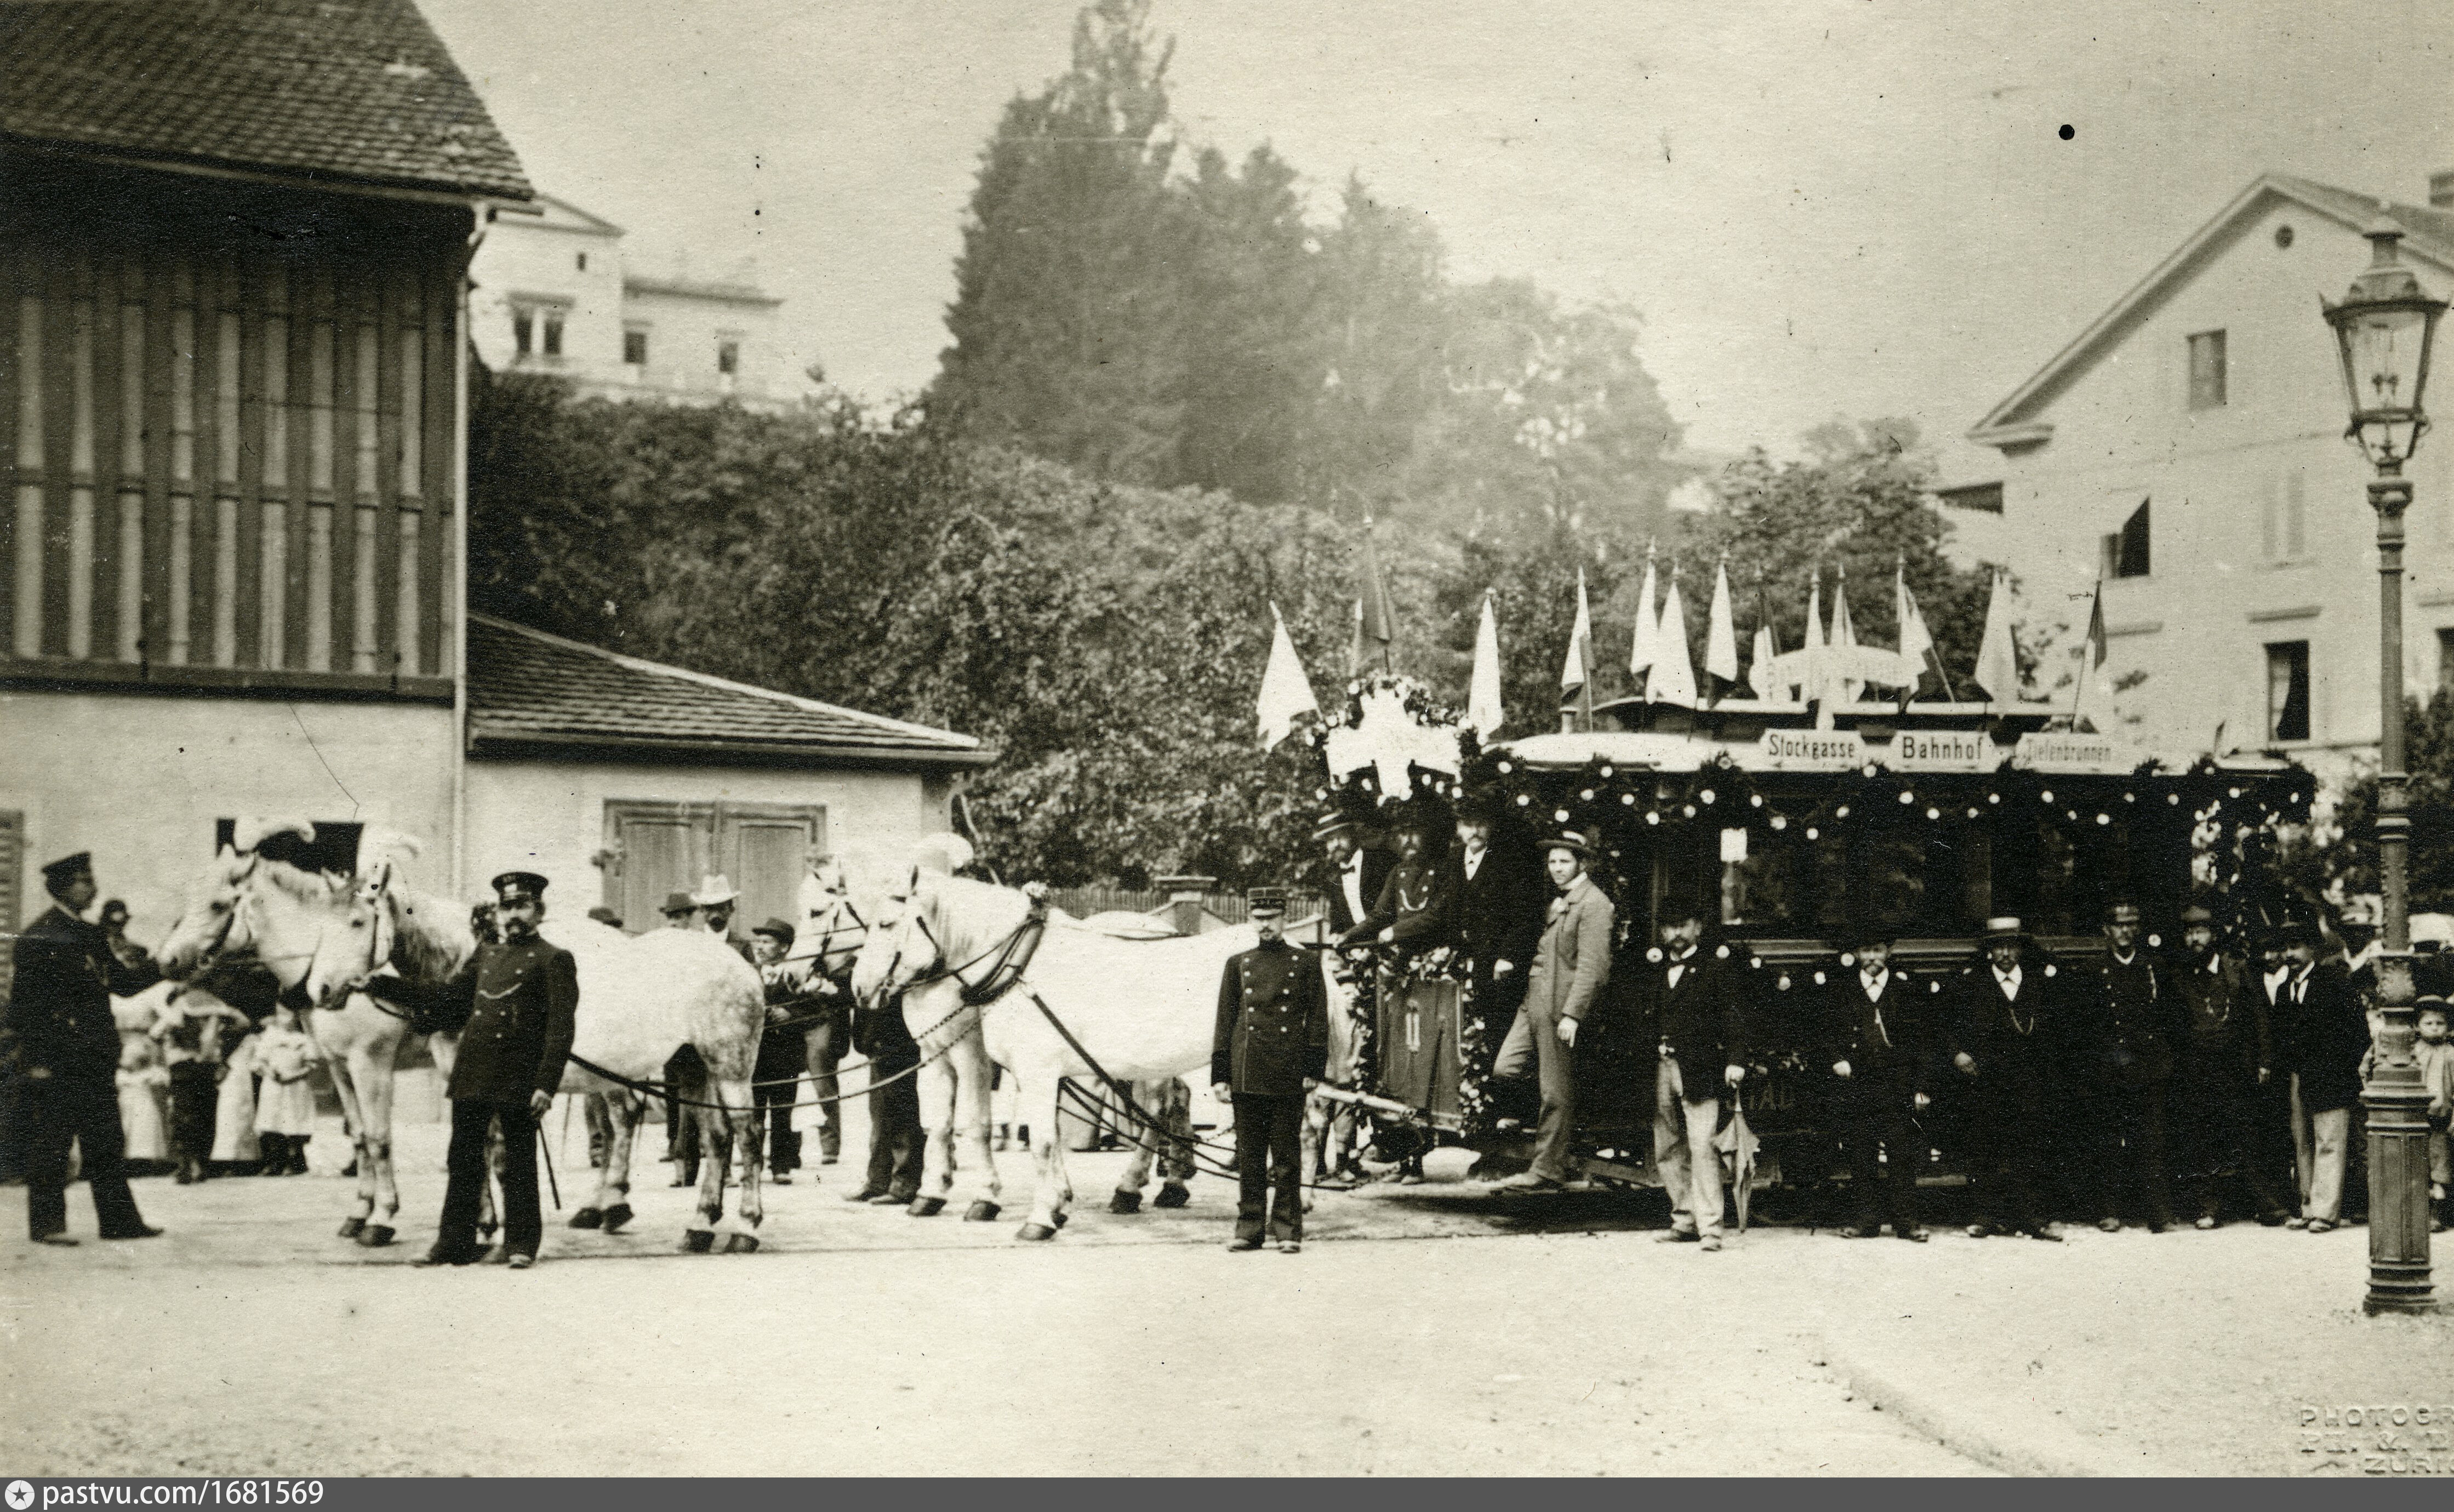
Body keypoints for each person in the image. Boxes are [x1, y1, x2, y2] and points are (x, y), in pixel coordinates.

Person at [362, 871, 578, 1269]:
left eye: (522, 906)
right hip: (474, 1072)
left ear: (539, 911)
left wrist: (546, 1085)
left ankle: (521, 1244)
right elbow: (448, 999)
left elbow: (560, 1030)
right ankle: (453, 1243)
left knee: (518, 1161)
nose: (513, 915)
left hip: (518, 1077)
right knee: (462, 1160)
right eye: (506, 907)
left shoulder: (554, 959)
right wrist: (382, 986)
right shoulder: (486, 955)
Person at [7, 851, 165, 1244]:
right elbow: (24, 1007)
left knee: (107, 1143)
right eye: (84, 881)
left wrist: (165, 967)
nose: (92, 888)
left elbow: (122, 984)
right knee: (53, 1143)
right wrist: (36, 1060)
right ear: (63, 887)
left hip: (95, 1056)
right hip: (57, 1058)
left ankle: (119, 1222)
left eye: (91, 879)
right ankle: (48, 1226)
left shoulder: (92, 934)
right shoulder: (38, 935)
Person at [1491, 828, 1614, 1194]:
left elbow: (1593, 968)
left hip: (1559, 1008)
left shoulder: (1594, 904)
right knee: (1506, 1067)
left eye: (1565, 861)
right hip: (1534, 1001)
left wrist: (1573, 1015)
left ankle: (1547, 1168)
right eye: (1552, 861)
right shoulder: (1561, 900)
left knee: (1556, 1090)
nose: (1557, 868)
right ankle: (1556, 1135)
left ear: (1582, 864)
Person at [1212, 887, 1328, 1253]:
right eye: (1259, 918)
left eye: (1271, 918)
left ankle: (1288, 1230)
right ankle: (1249, 1229)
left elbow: (1318, 1019)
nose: (1265, 925)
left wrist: (1313, 1067)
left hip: (1288, 1069)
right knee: (1249, 1157)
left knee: (1286, 1157)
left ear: (1284, 919)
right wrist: (1221, 1075)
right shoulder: (1238, 963)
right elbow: (1225, 1021)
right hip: (1247, 1070)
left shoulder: (1306, 962)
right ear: (1251, 919)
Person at [2170, 903, 2290, 1228]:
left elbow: (2259, 1018)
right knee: (2203, 1138)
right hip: (2197, 1069)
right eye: (2190, 933)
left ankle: (2265, 1204)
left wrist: (2265, 1060)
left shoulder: (2237, 971)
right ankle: (2208, 1208)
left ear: (2213, 935)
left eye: (2201, 931)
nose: (2195, 939)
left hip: (2236, 1067)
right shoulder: (2180, 975)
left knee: (2247, 1135)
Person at [1950, 917, 2070, 1241]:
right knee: (1985, 1148)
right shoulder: (1970, 984)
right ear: (1989, 951)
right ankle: (1986, 1217)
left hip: (2030, 1080)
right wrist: (1957, 1054)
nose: (2005, 954)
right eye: (1998, 947)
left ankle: (2033, 1218)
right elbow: (1948, 1026)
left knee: (2030, 1148)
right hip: (1984, 1081)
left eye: (2011, 947)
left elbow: (2056, 1029)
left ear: (2020, 950)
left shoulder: (2038, 982)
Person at [1820, 921, 1938, 1241]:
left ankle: (1906, 1222)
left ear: (1888, 952)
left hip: (1898, 1083)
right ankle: (1866, 1221)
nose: (1872, 957)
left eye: (1878, 950)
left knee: (1902, 1153)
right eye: (1865, 951)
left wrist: (1921, 1087)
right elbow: (1828, 1032)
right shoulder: (1843, 990)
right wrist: (1838, 1059)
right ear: (1857, 954)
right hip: (1858, 1083)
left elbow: (1922, 1042)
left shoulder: (1906, 989)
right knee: (1862, 1153)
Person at [1646, 898, 1745, 1251]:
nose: (1677, 933)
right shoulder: (1655, 969)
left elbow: (1734, 1016)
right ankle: (1684, 1219)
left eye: (1684, 925)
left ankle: (1711, 1228)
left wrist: (1736, 1060)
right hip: (1662, 1067)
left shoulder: (1715, 968)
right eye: (1670, 926)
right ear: (1662, 932)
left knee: (1702, 1147)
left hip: (1700, 1068)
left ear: (1698, 929)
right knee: (1668, 1146)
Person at [2265, 913, 2367, 1234]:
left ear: (2313, 949)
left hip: (2331, 1076)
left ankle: (2325, 1211)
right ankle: (2307, 1206)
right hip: (2299, 1077)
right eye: (2285, 949)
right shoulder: (2285, 989)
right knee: (2302, 1142)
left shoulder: (2335, 983)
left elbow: (2358, 1033)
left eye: (2296, 947)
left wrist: (2341, 1067)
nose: (2289, 955)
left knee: (2329, 1142)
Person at [2088, 900, 2185, 1233]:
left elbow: (2170, 1016)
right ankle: (2110, 1210)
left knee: (2152, 1141)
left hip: (2150, 1066)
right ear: (2107, 930)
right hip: (2111, 1068)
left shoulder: (2153, 967)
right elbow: (2088, 1023)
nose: (2126, 931)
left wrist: (2161, 1058)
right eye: (2119, 925)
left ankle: (2158, 1212)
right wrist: (2110, 1054)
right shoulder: (2095, 970)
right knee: (2110, 1140)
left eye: (2131, 925)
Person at [1447, 797, 1543, 1043]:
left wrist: (1508, 956)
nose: (1475, 831)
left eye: (1481, 824)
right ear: (1458, 828)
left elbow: (1525, 915)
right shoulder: (1454, 858)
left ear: (1491, 826)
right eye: (1468, 825)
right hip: (1462, 958)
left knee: (1494, 1027)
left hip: (1496, 959)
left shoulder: (1508, 862)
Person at [847, 959, 924, 1207]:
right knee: (880, 1119)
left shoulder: (903, 964)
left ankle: (904, 1185)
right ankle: (877, 1182)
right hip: (877, 1047)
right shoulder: (870, 961)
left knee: (902, 1118)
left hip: (899, 1046)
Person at [747, 918, 812, 1184]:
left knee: (783, 1112)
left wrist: (791, 1013)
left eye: (767, 942)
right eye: (758, 941)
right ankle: (752, 1164)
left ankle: (781, 1166)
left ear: (784, 948)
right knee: (753, 1113)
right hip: (756, 1055)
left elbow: (815, 1008)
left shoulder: (796, 975)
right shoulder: (748, 973)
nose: (760, 947)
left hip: (786, 1053)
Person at [252, 1003, 322, 1176]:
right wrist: (270, 1072)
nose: (285, 1019)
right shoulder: (270, 1036)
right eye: (281, 1015)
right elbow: (260, 1060)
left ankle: (296, 1161)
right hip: (274, 1083)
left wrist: (295, 1075)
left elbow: (311, 1065)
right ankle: (276, 1161)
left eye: (289, 1015)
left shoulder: (303, 1039)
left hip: (296, 1085)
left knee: (294, 1120)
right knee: (272, 1120)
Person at [1316, 815, 1391, 939]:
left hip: (1387, 940)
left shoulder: (1380, 863)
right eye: (1330, 840)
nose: (1336, 844)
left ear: (1352, 835)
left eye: (1341, 837)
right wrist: (1335, 937)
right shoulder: (1334, 879)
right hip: (1356, 945)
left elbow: (1387, 912)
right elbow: (1337, 925)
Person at [2414, 999, 2452, 1232]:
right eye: (2428, 1023)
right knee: (2417, 1164)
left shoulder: (2451, 1054)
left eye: (2440, 1023)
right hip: (2415, 1117)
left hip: (2441, 1119)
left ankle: (2438, 1212)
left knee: (2440, 1164)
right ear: (2417, 1027)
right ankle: (2421, 1211)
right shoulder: (2413, 1051)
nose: (2435, 1028)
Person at [115, 1036, 170, 1174]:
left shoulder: (150, 1074)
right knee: (126, 1131)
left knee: (143, 1132)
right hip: (126, 1107)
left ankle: (144, 1163)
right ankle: (128, 1162)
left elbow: (164, 1078)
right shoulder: (121, 1075)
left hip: (144, 1106)